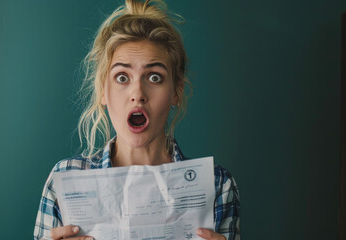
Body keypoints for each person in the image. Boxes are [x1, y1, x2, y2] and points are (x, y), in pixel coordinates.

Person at [33, 0, 240, 239]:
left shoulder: (217, 186)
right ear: (103, 90)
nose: (138, 95)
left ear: (176, 91)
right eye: (122, 77)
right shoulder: (65, 179)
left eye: (154, 77)